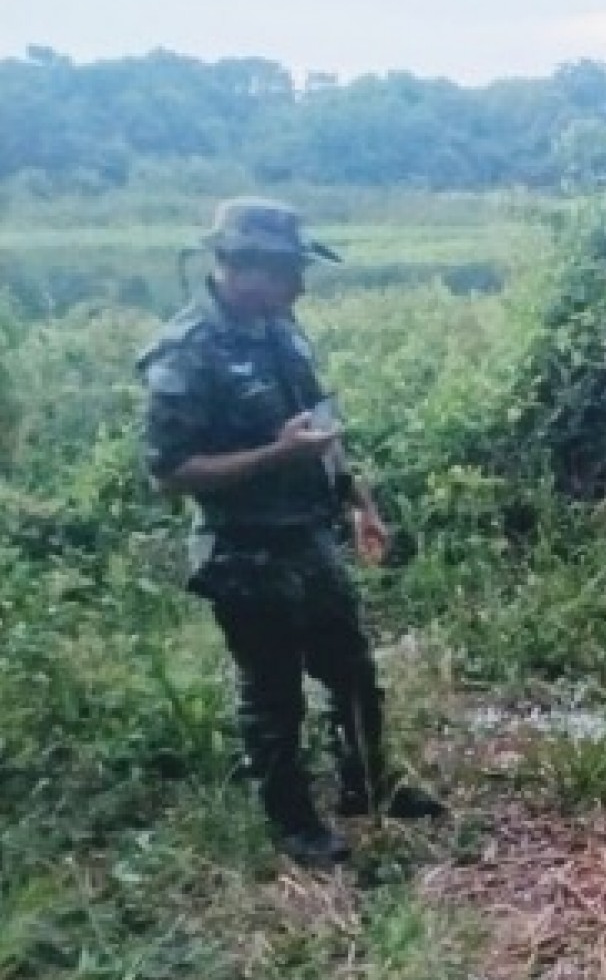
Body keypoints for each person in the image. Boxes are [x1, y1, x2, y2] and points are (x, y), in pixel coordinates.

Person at [136, 197, 445, 867]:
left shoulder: (282, 327)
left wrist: (359, 500)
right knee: (274, 694)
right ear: (237, 266)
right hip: (243, 550)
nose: (299, 286)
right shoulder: (186, 350)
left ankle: (369, 784)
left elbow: (316, 425)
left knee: (353, 671)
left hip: (308, 534)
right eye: (286, 272)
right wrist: (272, 457)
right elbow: (169, 472)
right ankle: (294, 823)